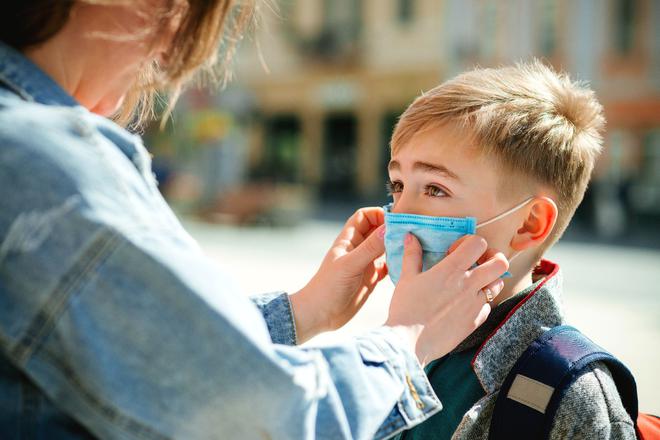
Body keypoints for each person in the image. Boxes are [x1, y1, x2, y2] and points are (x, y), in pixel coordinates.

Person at [0, 1, 509, 439]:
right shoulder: (44, 159)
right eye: (188, 15)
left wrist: (305, 311)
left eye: (437, 188)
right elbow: (258, 418)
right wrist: (409, 336)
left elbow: (151, 354)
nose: (167, 52)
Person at [384, 61, 636, 439]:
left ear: (529, 223)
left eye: (435, 188)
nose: (399, 212)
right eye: (398, 184)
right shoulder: (405, 339)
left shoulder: (569, 392)